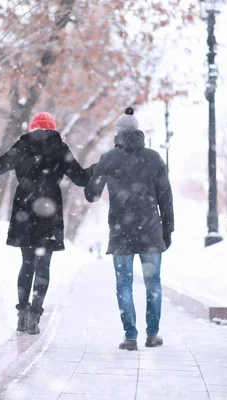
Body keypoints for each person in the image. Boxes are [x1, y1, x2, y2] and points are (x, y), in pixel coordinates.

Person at [0, 112, 93, 335]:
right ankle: (35, 314)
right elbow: (81, 178)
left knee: (27, 264)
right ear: (52, 128)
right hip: (49, 211)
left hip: (25, 209)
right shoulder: (60, 148)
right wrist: (98, 168)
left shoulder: (22, 146)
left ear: (32, 128)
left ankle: (22, 315)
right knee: (43, 266)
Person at [85, 107, 174, 351]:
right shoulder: (154, 158)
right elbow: (166, 197)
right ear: (138, 132)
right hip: (150, 230)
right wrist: (168, 229)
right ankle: (153, 334)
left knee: (123, 284)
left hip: (121, 231)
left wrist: (98, 171)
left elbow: (92, 195)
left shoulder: (109, 159)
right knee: (152, 282)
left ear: (118, 134)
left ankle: (130, 336)